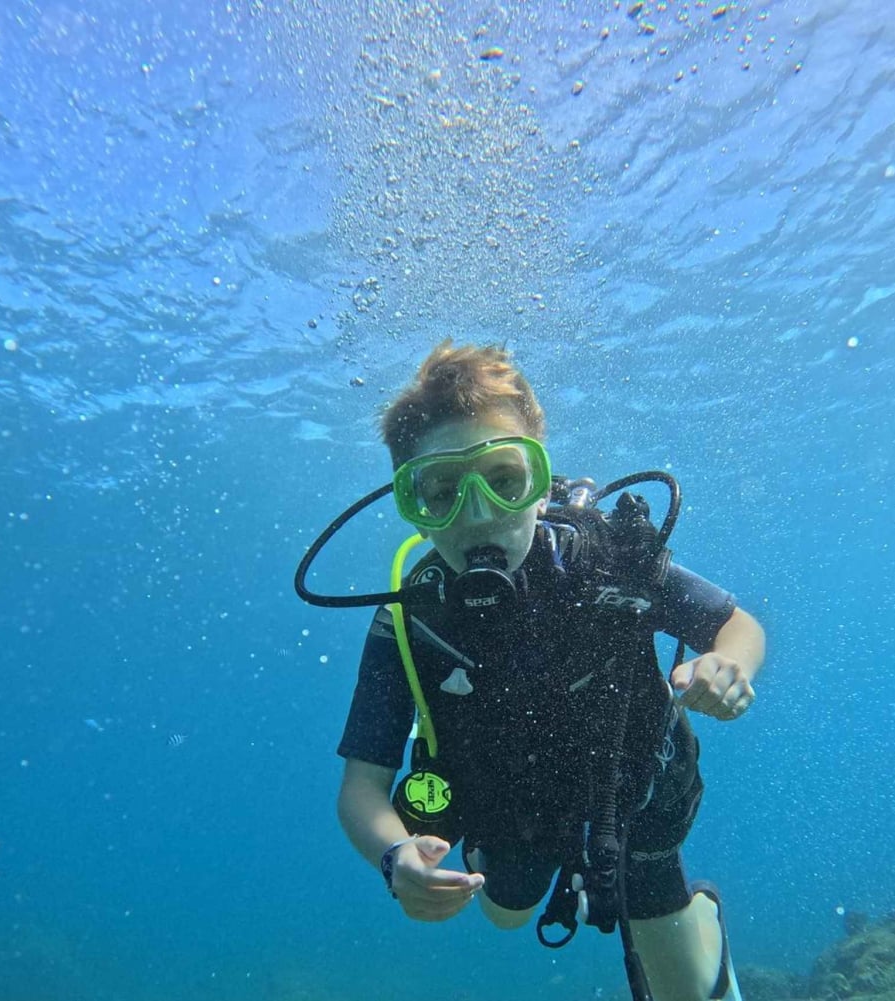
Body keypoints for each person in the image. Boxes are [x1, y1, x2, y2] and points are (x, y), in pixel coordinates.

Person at [328, 341, 766, 1001]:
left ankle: (699, 918)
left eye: (504, 480)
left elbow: (738, 626)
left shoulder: (609, 558)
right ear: (413, 505)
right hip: (510, 801)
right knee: (505, 912)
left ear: (540, 480)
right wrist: (396, 857)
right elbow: (362, 788)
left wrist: (729, 665)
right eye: (441, 492)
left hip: (629, 787)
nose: (478, 513)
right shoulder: (411, 618)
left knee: (684, 991)